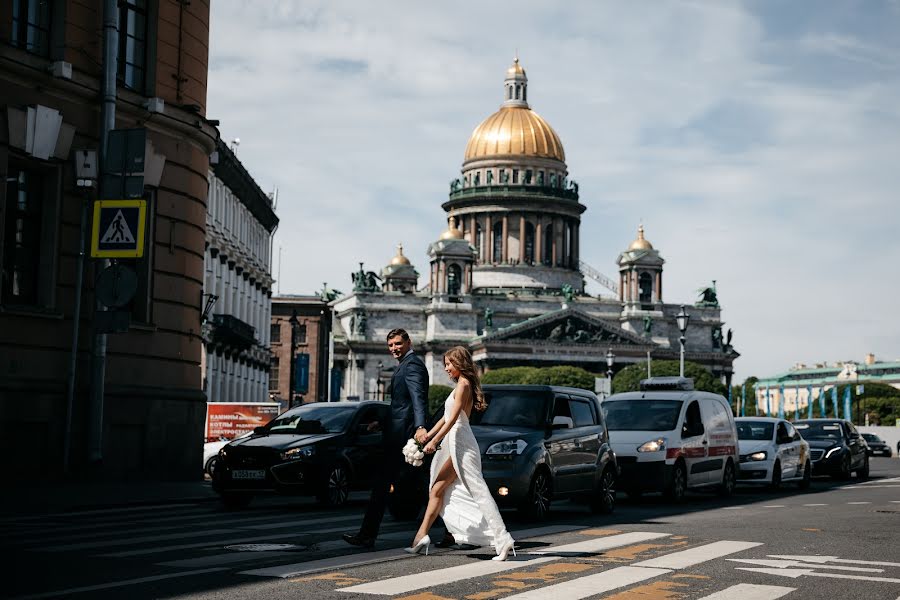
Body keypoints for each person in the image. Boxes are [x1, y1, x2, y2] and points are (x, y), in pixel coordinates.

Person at [404, 346, 516, 561]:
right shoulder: (460, 386)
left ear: (459, 363)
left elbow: (454, 418)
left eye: (449, 364)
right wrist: (428, 436)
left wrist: (435, 441)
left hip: (462, 443)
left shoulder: (464, 385)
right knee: (437, 488)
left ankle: (502, 538)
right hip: (455, 441)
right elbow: (445, 418)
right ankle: (420, 537)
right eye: (445, 364)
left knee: (478, 491)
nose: (446, 368)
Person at [342, 328, 429, 549]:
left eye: (398, 344)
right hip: (398, 435)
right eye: (390, 345)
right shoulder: (405, 366)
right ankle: (367, 535)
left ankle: (367, 535)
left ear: (409, 342)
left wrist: (420, 426)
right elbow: (401, 405)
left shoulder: (413, 366)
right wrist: (380, 423)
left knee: (422, 487)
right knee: (421, 486)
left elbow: (418, 399)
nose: (394, 349)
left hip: (405, 438)